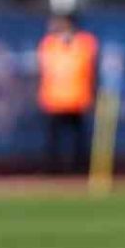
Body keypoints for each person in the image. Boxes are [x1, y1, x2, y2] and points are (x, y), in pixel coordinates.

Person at [36, 13, 99, 175]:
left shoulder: (85, 43)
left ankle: (79, 169)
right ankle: (52, 169)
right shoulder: (49, 43)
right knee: (53, 139)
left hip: (77, 98)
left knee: (79, 138)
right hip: (54, 99)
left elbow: (90, 67)